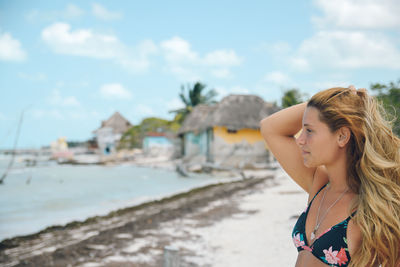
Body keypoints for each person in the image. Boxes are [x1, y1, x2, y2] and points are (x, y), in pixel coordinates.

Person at [260, 86, 400, 267]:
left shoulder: (374, 209)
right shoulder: (319, 183)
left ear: (342, 136)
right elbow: (269, 128)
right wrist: (340, 100)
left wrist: (334, 107)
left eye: (309, 130)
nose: (300, 139)